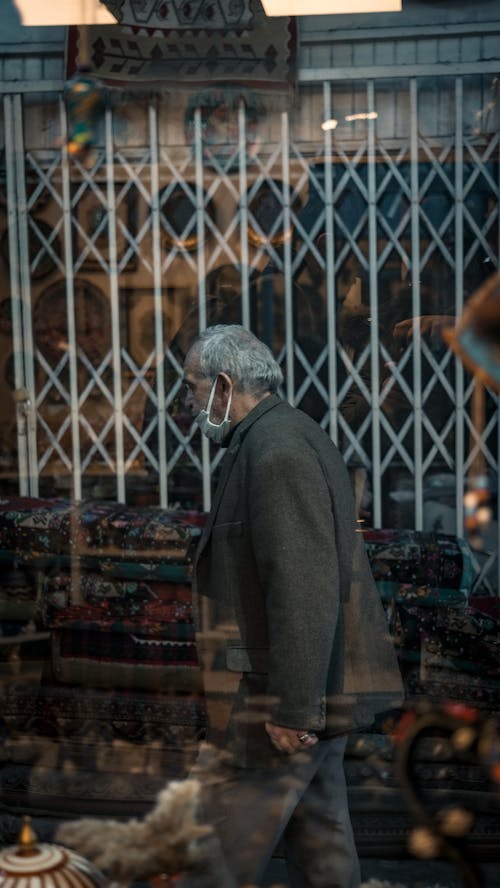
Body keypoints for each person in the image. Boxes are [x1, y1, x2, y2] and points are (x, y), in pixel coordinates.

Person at [179, 324, 404, 888]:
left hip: (277, 700)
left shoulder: (275, 450)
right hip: (310, 691)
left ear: (224, 385)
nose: (186, 402)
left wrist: (294, 710)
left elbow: (301, 584)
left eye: (191, 387)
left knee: (219, 857)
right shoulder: (276, 436)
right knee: (321, 840)